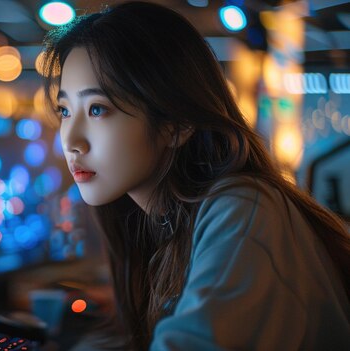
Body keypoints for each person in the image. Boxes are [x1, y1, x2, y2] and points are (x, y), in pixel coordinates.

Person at [40, 2, 350, 350]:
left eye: (98, 109)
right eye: (65, 110)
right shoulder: (163, 224)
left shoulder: (243, 206)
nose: (71, 140)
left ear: (178, 123)